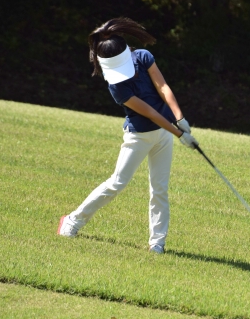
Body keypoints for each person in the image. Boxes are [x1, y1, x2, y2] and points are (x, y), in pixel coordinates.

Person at [57, 17, 198, 254]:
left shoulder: (143, 57)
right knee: (117, 183)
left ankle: (157, 243)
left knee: (160, 189)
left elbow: (163, 87)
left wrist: (180, 117)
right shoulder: (116, 87)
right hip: (138, 137)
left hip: (163, 134)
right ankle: (72, 220)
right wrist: (178, 133)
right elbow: (150, 112)